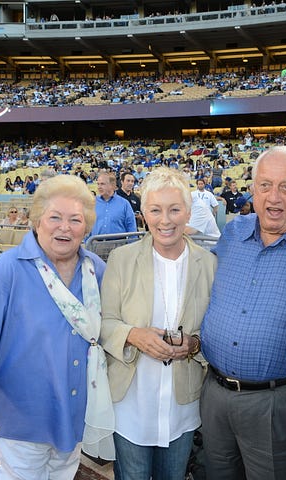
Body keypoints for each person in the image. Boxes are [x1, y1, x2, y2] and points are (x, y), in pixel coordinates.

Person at [0, 175, 115, 478]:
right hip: (20, 424)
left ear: (87, 227)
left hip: (76, 418)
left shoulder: (97, 270)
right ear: (37, 220)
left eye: (75, 220)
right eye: (55, 217)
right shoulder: (6, 270)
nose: (64, 227)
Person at [200, 145, 286, 480]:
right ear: (252, 189)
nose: (274, 198)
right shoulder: (233, 233)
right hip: (215, 395)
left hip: (282, 402)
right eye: (265, 185)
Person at [100, 167, 216, 480]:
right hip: (130, 405)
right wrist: (133, 335)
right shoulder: (121, 259)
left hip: (181, 406)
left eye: (175, 209)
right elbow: (103, 324)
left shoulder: (208, 264)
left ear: (188, 212)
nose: (165, 220)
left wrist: (193, 344)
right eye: (155, 210)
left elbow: (214, 331)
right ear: (143, 214)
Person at [90, 172, 137, 236]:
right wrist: (88, 242)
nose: (99, 187)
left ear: (112, 185)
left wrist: (132, 244)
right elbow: (87, 225)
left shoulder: (124, 204)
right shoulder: (92, 203)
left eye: (102, 184)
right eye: (98, 184)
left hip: (119, 243)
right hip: (96, 243)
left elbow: (131, 227)